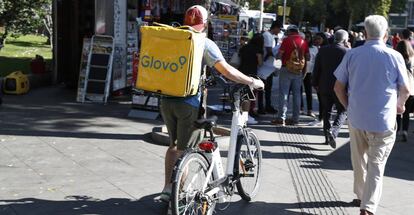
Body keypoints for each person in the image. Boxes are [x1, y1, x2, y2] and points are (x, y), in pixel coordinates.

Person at [159, 5, 264, 203]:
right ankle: (176, 195)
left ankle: (167, 189)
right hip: (188, 103)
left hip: (166, 99)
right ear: (205, 24)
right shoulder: (203, 42)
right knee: (184, 150)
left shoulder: (172, 38)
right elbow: (227, 71)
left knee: (173, 146)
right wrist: (251, 81)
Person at [334, 15, 410, 215]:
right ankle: (367, 207)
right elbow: (406, 89)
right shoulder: (394, 56)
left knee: (358, 159)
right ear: (386, 34)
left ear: (365, 33)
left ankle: (360, 195)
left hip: (357, 117)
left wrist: (348, 106)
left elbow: (338, 87)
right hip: (383, 120)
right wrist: (399, 105)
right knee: (376, 164)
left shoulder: (352, 54)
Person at [312, 29, 349, 149]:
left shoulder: (323, 50)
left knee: (326, 111)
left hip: (324, 86)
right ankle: (334, 131)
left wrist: (314, 82)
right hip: (340, 86)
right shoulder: (347, 52)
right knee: (342, 110)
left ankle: (327, 138)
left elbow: (316, 67)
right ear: (344, 39)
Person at [271, 25, 310, 126]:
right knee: (297, 94)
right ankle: (295, 119)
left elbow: (279, 55)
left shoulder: (286, 40)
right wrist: (304, 71)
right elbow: (308, 57)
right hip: (299, 70)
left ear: (289, 32)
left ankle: (281, 118)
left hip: (286, 69)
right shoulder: (304, 42)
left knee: (283, 94)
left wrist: (277, 57)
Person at [238, 33, 264, 124]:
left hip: (240, 72)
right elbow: (260, 63)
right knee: (248, 96)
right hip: (251, 74)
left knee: (241, 94)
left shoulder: (244, 47)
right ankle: (245, 116)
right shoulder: (258, 50)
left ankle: (239, 114)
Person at [258, 21, 282, 115]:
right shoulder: (267, 35)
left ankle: (267, 105)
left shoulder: (271, 36)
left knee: (268, 88)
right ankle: (261, 107)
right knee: (262, 88)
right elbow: (268, 50)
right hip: (265, 67)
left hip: (269, 66)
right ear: (275, 27)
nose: (279, 31)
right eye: (279, 29)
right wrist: (276, 57)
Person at [395, 40, 414, 141]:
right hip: (411, 88)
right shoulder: (413, 58)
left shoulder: (396, 58)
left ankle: (397, 130)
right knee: (406, 112)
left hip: (399, 87)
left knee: (397, 110)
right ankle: (405, 131)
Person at [302, 31, 318, 118]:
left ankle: (309, 110)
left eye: (308, 37)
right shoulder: (300, 46)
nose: (307, 38)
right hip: (299, 71)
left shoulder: (314, 48)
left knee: (308, 92)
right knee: (298, 91)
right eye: (305, 37)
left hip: (309, 72)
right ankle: (300, 108)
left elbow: (316, 61)